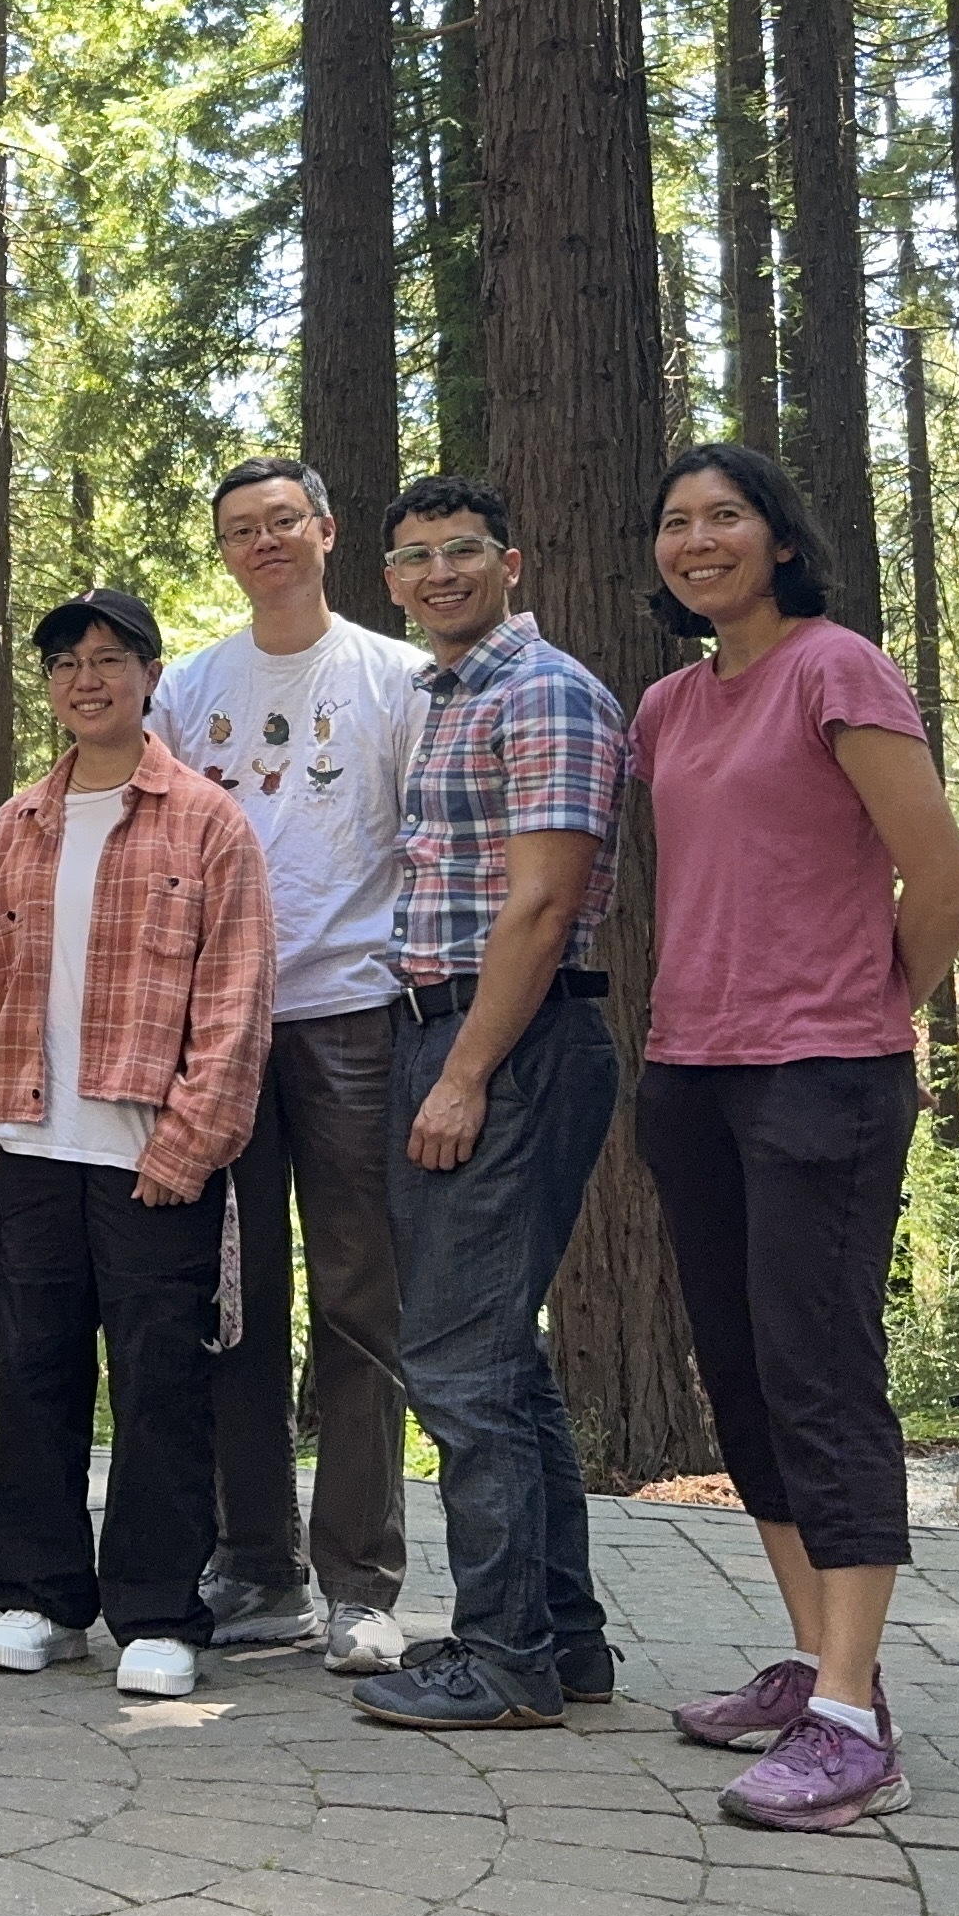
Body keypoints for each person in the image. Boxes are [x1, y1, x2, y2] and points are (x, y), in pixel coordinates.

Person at [633, 445, 959, 1832]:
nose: (698, 540)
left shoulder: (837, 667)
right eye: (675, 523)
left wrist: (862, 1008)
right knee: (748, 1380)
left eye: (727, 517)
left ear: (781, 539)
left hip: (820, 1077)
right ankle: (828, 1673)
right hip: (688, 1075)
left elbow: (943, 877)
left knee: (823, 1376)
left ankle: (855, 1729)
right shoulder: (665, 706)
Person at [0, 588, 275, 1704]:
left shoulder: (205, 820)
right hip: (31, 1144)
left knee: (159, 1385)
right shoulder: (16, 825)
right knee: (32, 1374)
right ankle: (40, 1601)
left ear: (148, 676)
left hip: (151, 1153)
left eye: (108, 659)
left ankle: (156, 1612)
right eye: (66, 664)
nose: (85, 680)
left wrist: (191, 1145)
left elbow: (235, 1002)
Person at [352, 472, 630, 1734]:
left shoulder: (546, 692)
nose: (439, 574)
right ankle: (561, 1645)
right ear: (395, 582)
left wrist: (466, 1072)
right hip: (444, 1030)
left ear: (510, 562)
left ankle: (502, 1657)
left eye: (462, 551)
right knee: (499, 1362)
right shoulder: (444, 698)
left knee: (460, 1364)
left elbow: (540, 904)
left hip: (503, 1042)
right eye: (415, 559)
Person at [151, 458, 429, 1675]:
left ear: (325, 531)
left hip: (353, 1017)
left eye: (283, 522)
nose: (264, 542)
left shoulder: (396, 675)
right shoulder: (189, 690)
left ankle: (362, 1579)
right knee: (230, 1300)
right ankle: (253, 1561)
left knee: (361, 1298)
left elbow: (435, 843)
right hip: (220, 1030)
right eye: (240, 530)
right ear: (223, 551)